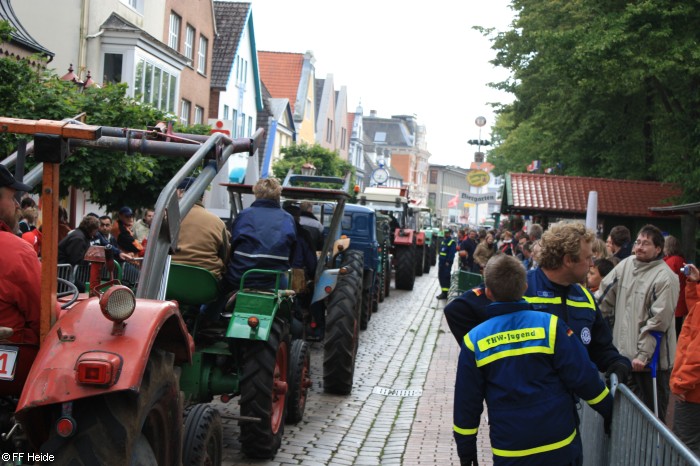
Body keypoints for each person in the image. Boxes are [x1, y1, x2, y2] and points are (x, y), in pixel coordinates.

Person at [453, 254, 613, 466]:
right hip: (560, 443)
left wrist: (466, 449)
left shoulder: (475, 341)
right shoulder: (552, 327)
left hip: (511, 449)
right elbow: (583, 376)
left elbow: (467, 402)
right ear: (525, 285)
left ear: (488, 293)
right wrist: (608, 409)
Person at [444, 222, 631, 384]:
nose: (592, 264)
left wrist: (617, 363)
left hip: (566, 411)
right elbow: (458, 311)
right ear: (568, 260)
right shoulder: (520, 285)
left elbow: (602, 348)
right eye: (588, 258)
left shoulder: (585, 298)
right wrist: (493, 362)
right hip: (521, 410)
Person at [598, 224, 679, 421]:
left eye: (646, 243)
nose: (640, 247)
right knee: (623, 417)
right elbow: (604, 297)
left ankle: (650, 453)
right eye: (638, 242)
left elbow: (658, 321)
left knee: (650, 420)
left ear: (658, 249)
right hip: (623, 357)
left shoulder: (666, 277)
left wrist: (643, 355)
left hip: (651, 364)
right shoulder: (626, 265)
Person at [222, 178, 296, 292]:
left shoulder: (244, 215)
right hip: (274, 282)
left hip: (241, 278)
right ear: (278, 195)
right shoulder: (288, 218)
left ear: (256, 194)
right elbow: (292, 254)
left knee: (213, 300)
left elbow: (233, 247)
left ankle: (207, 310)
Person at [0, 165, 40, 345]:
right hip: (14, 358)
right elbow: (43, 315)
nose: (17, 205)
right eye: (12, 198)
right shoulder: (16, 251)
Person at [171, 178, 230, 279]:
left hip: (169, 280)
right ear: (202, 197)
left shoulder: (168, 218)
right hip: (206, 283)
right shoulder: (218, 223)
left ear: (180, 192)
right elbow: (225, 256)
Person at [670, 263, 700, 457]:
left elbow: (697, 354)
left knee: (684, 448)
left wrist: (681, 383)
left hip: (693, 392)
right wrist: (694, 283)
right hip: (693, 389)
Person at [663, 235, 688, 337]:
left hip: (673, 301)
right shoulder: (681, 260)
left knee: (673, 332)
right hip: (680, 300)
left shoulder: (671, 261)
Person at [436, 228, 456, 300]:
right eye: (445, 233)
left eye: (447, 233)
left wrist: (448, 261)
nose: (446, 234)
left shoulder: (451, 242)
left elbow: (451, 253)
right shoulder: (443, 241)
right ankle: (443, 291)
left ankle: (445, 293)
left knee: (445, 277)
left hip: (446, 264)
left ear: (450, 233)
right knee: (441, 276)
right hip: (441, 263)